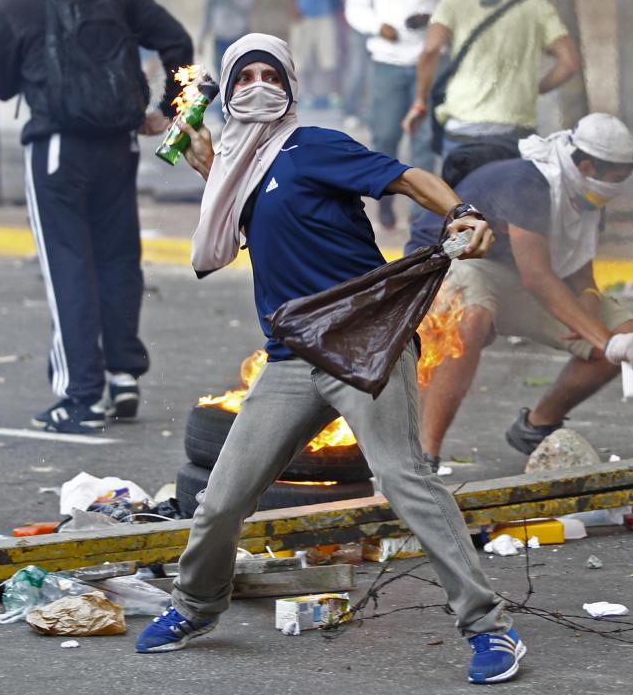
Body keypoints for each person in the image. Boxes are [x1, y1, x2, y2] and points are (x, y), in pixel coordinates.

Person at [134, 34, 527, 685]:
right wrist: (211, 165)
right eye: (244, 75)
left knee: (404, 478)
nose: (257, 84)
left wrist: (461, 210)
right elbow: (222, 241)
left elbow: (405, 177)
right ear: (229, 91)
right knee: (220, 497)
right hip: (292, 356)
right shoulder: (238, 168)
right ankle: (197, 606)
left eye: (270, 73)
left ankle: (490, 626)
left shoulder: (312, 145)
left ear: (289, 83)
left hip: (364, 340)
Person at [0, 0, 193, 434]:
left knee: (67, 265)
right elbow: (178, 42)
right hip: (119, 145)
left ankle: (80, 396)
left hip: (57, 148)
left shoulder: (17, 6)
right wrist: (170, 110)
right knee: (118, 259)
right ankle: (124, 376)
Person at [405, 114, 633, 464]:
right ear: (587, 165)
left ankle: (536, 426)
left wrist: (590, 311)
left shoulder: (587, 197)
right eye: (616, 179)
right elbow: (537, 276)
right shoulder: (530, 183)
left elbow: (580, 272)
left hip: (509, 276)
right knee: (472, 315)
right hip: (446, 269)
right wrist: (608, 342)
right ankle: (423, 455)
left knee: (625, 333)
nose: (620, 188)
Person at [401, 0, 579, 156]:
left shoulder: (453, 2)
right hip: (514, 127)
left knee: (460, 193)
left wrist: (420, 101)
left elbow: (431, 50)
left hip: (463, 125)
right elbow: (569, 63)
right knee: (509, 192)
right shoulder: (537, 6)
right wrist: (534, 89)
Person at [345, 0, 438, 230]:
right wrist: (378, 26)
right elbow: (356, 8)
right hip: (387, 60)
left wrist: (433, 18)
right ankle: (385, 199)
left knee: (424, 141)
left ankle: (420, 213)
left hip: (429, 58)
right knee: (385, 136)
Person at [289, 0, 342, 109]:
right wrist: (293, 7)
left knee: (328, 59)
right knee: (300, 60)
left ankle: (325, 95)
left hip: (326, 14)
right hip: (302, 14)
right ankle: (301, 96)